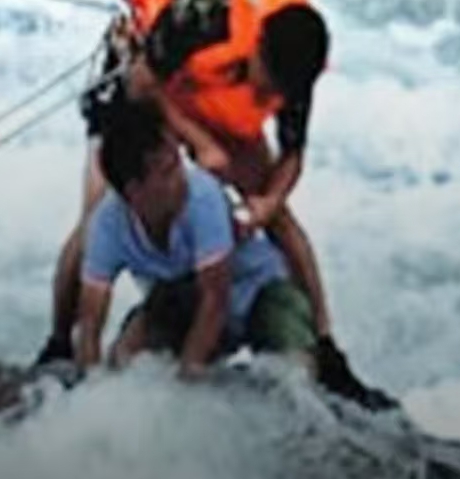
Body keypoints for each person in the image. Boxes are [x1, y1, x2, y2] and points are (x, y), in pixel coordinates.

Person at [39, 0, 336, 367]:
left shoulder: (297, 66)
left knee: (281, 221)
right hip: (146, 85)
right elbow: (141, 82)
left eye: (277, 92)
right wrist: (199, 142)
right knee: (96, 218)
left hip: (212, 92)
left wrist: (268, 202)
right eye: (266, 84)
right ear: (256, 47)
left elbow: (293, 153)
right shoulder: (206, 14)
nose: (267, 97)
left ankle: (325, 344)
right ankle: (58, 343)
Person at [72, 95, 322, 379]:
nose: (181, 178)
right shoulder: (107, 224)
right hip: (184, 299)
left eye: (178, 163)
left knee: (296, 375)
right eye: (168, 172)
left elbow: (215, 300)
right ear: (134, 190)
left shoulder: (202, 195)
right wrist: (90, 388)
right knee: (125, 356)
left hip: (258, 291)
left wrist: (186, 382)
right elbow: (89, 324)